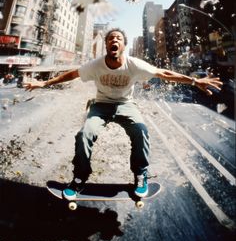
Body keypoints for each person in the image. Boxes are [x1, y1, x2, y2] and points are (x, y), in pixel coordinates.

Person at [24, 28, 222, 200]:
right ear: (106, 45)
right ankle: (79, 178)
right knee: (84, 134)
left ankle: (140, 175)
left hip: (126, 105)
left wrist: (195, 81)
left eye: (118, 38)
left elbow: (164, 73)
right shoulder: (96, 65)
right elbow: (73, 74)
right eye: (110, 38)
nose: (114, 40)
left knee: (141, 130)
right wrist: (45, 83)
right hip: (100, 105)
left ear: (123, 45)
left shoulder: (134, 64)